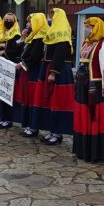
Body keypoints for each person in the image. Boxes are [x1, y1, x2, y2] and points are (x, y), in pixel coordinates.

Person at [73, 17, 104, 162]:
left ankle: (95, 151)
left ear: (97, 27)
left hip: (96, 86)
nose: (87, 29)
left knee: (95, 116)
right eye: (86, 26)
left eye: (90, 26)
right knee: (83, 115)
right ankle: (83, 148)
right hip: (82, 84)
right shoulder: (86, 43)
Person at [33, 8, 74, 145]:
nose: (50, 18)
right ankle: (52, 130)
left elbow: (60, 54)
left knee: (58, 101)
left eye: (52, 16)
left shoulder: (61, 33)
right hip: (49, 68)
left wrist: (53, 72)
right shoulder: (53, 31)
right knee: (49, 101)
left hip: (59, 71)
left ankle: (58, 133)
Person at [14, 13, 47, 137]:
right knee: (27, 98)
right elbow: (22, 50)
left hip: (33, 72)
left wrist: (22, 64)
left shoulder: (40, 37)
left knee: (32, 99)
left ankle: (33, 126)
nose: (29, 24)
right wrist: (23, 38)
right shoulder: (32, 36)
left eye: (31, 22)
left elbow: (34, 57)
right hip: (28, 72)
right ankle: (28, 124)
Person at [0, 13, 22, 129]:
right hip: (1, 66)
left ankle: (8, 119)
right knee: (1, 92)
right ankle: (2, 117)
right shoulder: (4, 33)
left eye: (10, 20)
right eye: (6, 20)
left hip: (10, 66)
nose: (8, 22)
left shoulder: (16, 34)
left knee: (8, 93)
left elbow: (15, 50)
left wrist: (3, 51)